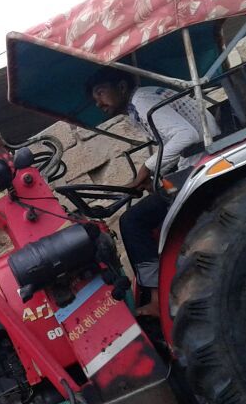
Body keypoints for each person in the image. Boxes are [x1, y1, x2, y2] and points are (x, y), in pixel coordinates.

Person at [87, 68, 220, 316]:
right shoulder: (141, 103)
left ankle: (159, 299)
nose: (98, 102)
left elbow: (185, 135)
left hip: (201, 163)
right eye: (95, 99)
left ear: (122, 87)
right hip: (194, 161)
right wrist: (153, 180)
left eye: (101, 92)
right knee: (154, 202)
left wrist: (144, 170)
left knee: (132, 221)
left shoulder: (142, 100)